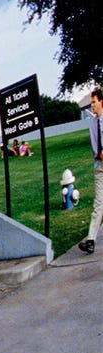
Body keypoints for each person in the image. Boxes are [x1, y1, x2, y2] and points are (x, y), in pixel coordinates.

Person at [80, 88, 103, 255]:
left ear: (101, 102)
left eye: (94, 102)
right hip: (100, 167)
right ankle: (90, 240)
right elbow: (95, 148)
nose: (92, 105)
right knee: (98, 204)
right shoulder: (93, 124)